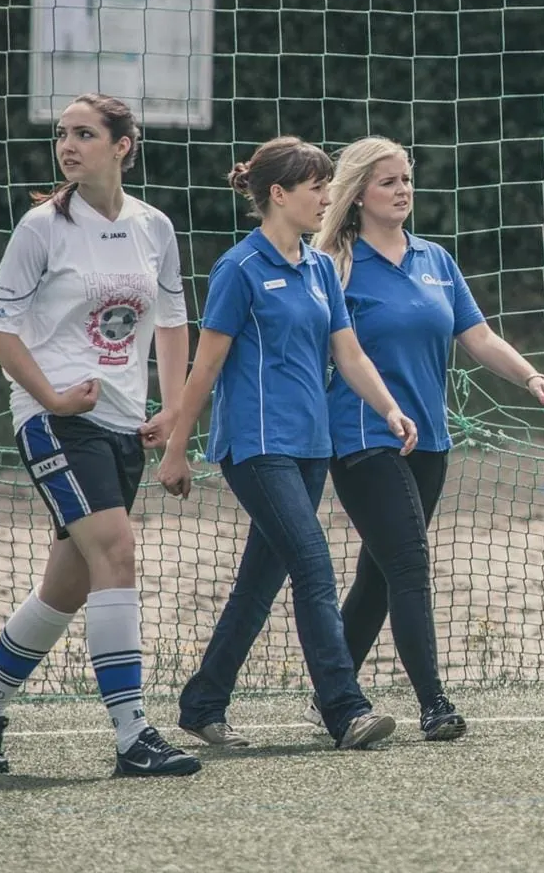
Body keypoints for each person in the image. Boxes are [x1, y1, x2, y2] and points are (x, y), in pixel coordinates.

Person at [0, 93, 201, 777]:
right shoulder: (42, 228)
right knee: (117, 552)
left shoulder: (154, 225)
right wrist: (52, 395)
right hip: (56, 421)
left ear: (122, 145)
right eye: (62, 134)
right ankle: (133, 736)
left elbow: (174, 323)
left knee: (70, 586)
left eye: (84, 134)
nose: (68, 145)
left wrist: (174, 409)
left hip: (125, 425)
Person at [158, 136, 419, 752]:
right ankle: (344, 709)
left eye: (329, 186)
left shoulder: (321, 267)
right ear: (278, 195)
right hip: (254, 446)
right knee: (313, 566)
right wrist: (177, 447)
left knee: (260, 582)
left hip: (311, 446)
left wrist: (389, 408)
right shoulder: (239, 269)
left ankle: (202, 702)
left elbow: (346, 352)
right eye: (317, 188)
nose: (329, 198)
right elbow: (206, 367)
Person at [310, 136, 544, 739]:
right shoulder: (332, 263)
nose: (402, 191)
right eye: (388, 182)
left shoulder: (434, 260)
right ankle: (434, 703)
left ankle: (331, 695)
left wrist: (530, 376)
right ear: (358, 195)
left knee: (380, 573)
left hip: (429, 443)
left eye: (406, 179)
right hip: (362, 435)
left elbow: (476, 338)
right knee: (409, 563)